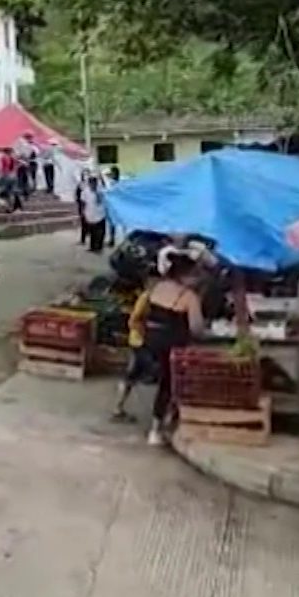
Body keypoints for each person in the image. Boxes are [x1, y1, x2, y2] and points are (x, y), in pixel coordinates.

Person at [127, 255, 205, 444]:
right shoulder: (189, 297)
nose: (197, 279)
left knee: (160, 380)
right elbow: (197, 328)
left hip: (148, 341)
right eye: (195, 275)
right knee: (169, 385)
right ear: (185, 276)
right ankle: (157, 428)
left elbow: (144, 313)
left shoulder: (157, 288)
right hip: (172, 345)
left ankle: (157, 421)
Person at [80, 174, 108, 253]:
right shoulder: (85, 191)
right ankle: (92, 247)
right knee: (92, 232)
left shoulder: (101, 190)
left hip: (101, 214)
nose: (93, 185)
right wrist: (83, 212)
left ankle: (99, 247)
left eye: (94, 183)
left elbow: (105, 199)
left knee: (101, 232)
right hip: (90, 214)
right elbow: (83, 202)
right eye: (91, 183)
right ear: (89, 183)